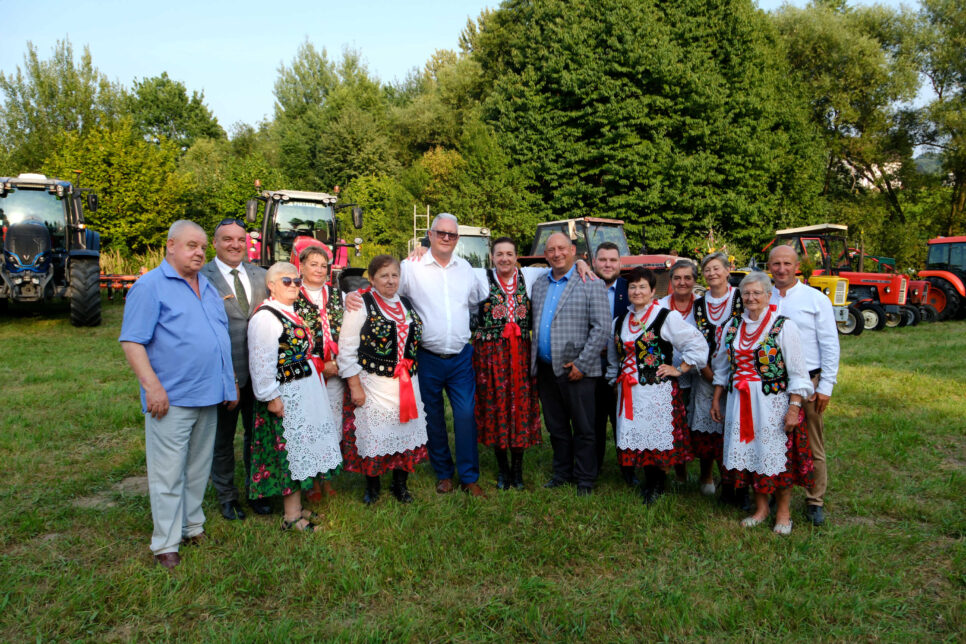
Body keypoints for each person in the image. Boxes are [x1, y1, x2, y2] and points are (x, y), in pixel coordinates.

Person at [119, 220, 236, 569]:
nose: (199, 252)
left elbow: (220, 339)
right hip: (171, 398)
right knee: (168, 473)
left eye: (202, 247)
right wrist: (152, 386)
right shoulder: (150, 286)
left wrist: (228, 384)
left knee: (198, 468)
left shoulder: (208, 287)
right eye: (191, 246)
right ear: (171, 246)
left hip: (209, 395)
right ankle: (166, 544)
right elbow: (132, 340)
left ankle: (192, 526)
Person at [346, 214, 489, 496]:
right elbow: (386, 287)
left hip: (460, 356)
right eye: (441, 233)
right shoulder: (412, 267)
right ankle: (444, 473)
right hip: (427, 358)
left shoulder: (467, 269)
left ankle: (469, 477)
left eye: (452, 234)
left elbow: (479, 297)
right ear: (430, 234)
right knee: (432, 417)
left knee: (464, 415)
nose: (446, 238)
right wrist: (356, 295)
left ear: (457, 238)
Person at [711, 271, 814, 535]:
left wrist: (794, 407)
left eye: (757, 292)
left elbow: (798, 373)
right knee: (751, 455)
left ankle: (783, 512)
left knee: (777, 458)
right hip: (739, 403)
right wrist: (716, 400)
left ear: (769, 296)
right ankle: (761, 508)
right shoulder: (732, 327)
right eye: (746, 293)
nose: (751, 297)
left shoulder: (783, 326)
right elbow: (722, 369)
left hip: (773, 403)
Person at [247, 262, 343, 532]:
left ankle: (297, 507)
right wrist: (270, 396)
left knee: (303, 448)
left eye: (297, 281)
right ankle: (291, 518)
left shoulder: (289, 312)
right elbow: (261, 360)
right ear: (272, 285)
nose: (293, 285)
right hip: (285, 394)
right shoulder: (266, 317)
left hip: (303, 390)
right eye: (286, 281)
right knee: (291, 453)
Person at [606, 267, 708, 504]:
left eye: (642, 287)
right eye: (633, 286)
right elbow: (614, 355)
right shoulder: (620, 321)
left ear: (653, 291)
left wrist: (680, 369)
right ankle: (648, 480)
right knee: (638, 434)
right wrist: (614, 379)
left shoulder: (665, 316)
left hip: (656, 391)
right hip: (629, 390)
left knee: (654, 437)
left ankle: (657, 484)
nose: (637, 291)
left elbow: (697, 344)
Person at [338, 255, 429, 504]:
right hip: (374, 382)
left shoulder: (406, 303)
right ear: (372, 279)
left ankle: (400, 485)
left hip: (407, 382)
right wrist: (355, 385)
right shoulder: (361, 303)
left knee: (405, 431)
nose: (390, 281)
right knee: (375, 434)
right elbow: (346, 348)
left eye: (394, 275)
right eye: (384, 276)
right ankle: (373, 486)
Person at [200, 218, 270, 520]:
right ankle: (227, 497)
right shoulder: (202, 276)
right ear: (215, 243)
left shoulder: (262, 275)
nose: (234, 245)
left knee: (256, 437)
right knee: (223, 439)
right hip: (223, 374)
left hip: (260, 374)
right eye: (227, 239)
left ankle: (257, 490)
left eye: (240, 239)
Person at [531, 232, 611, 496]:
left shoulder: (590, 282)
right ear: (545, 255)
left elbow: (602, 328)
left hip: (578, 370)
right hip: (546, 369)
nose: (557, 254)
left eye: (562, 248)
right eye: (551, 250)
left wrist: (582, 364)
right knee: (557, 427)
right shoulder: (540, 284)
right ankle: (562, 472)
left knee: (585, 428)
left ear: (573, 250)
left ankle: (585, 478)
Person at [768, 245, 840, 526]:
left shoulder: (814, 299)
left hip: (809, 382)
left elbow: (830, 344)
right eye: (776, 264)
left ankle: (814, 499)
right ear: (769, 266)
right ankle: (772, 488)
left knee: (811, 442)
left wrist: (826, 386)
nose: (781, 269)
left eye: (787, 263)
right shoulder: (763, 295)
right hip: (771, 382)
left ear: (797, 265)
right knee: (774, 439)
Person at [472, 237, 542, 489]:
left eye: (509, 254)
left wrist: (581, 265)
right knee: (496, 408)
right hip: (491, 358)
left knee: (520, 409)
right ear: (492, 257)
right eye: (499, 254)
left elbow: (561, 265)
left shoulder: (530, 277)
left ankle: (517, 470)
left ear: (516, 257)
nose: (504, 258)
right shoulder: (480, 277)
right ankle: (503, 469)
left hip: (520, 357)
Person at [690, 252, 745, 505]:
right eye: (707, 270)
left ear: (727, 270)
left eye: (716, 268)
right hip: (705, 373)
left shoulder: (742, 297)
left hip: (739, 375)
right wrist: (707, 372)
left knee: (734, 428)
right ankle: (707, 477)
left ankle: (735, 482)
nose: (712, 273)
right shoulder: (699, 304)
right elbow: (693, 339)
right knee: (708, 430)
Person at [292, 240, 344, 502]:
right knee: (310, 423)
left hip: (335, 369)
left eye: (324, 266)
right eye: (313, 264)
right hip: (308, 372)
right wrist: (318, 367)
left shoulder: (337, 295)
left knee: (332, 424)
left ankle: (327, 476)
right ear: (300, 267)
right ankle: (310, 481)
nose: (319, 270)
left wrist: (336, 364)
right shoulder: (292, 295)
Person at [592, 241, 631, 482]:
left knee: (624, 422)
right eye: (603, 260)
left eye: (612, 260)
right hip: (592, 366)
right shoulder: (584, 286)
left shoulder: (631, 289)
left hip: (623, 369)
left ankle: (628, 471)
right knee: (593, 421)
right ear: (594, 262)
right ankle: (592, 469)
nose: (607, 264)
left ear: (620, 263)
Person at [657, 259, 699, 487]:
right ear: (671, 281)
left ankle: (706, 476)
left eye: (688, 278)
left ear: (694, 280)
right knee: (674, 425)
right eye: (677, 278)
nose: (682, 282)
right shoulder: (660, 306)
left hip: (698, 373)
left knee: (696, 424)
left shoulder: (702, 306)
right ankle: (679, 474)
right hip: (668, 376)